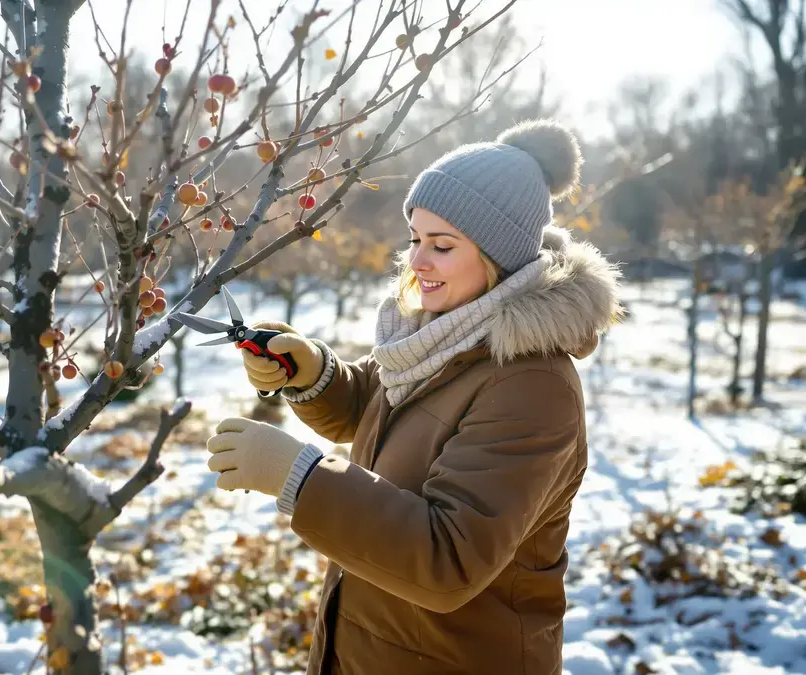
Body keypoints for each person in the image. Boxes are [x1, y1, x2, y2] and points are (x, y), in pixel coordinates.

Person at [204, 119, 624, 675]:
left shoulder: (532, 386)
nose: (417, 262)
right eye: (416, 240)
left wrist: (298, 478)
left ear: (501, 256)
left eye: (442, 245)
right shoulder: (444, 332)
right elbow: (388, 416)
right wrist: (314, 374)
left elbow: (448, 558)